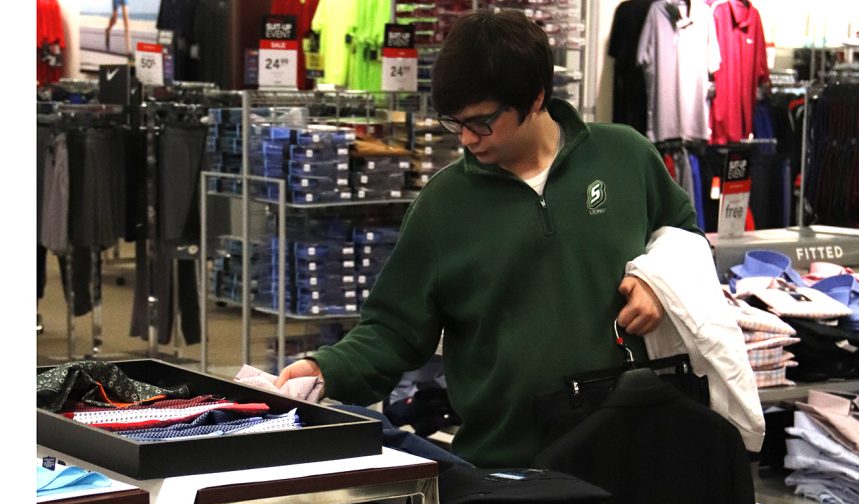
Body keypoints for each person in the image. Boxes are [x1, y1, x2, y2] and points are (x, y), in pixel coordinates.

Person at [275, 9, 701, 468]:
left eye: (481, 122)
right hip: (507, 462)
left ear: (536, 98)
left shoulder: (625, 157)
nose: (466, 139)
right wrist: (326, 369)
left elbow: (685, 239)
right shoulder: (443, 205)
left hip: (635, 450)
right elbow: (394, 329)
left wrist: (659, 283)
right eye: (454, 123)